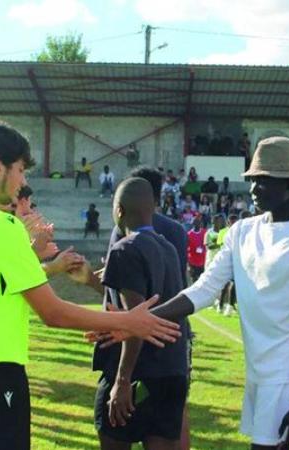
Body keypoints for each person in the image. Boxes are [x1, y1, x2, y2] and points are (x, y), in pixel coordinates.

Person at [0, 119, 180, 450]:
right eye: (20, 170)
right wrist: (129, 321)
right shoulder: (2, 227)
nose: (22, 181)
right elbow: (52, 312)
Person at [141, 136, 289, 449]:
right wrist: (140, 320)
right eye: (253, 180)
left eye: (263, 182)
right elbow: (204, 289)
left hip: (287, 378)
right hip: (257, 372)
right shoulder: (242, 231)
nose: (254, 189)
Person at [93, 178, 192, 450]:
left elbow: (134, 320)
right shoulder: (168, 249)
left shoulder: (123, 249)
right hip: (171, 369)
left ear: (120, 210)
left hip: (136, 372)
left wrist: (122, 381)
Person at [187, 215, 207, 284]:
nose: (197, 224)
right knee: (194, 281)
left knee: (202, 281)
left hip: (203, 261)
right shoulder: (189, 234)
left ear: (200, 223)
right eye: (195, 223)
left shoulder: (204, 232)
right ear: (192, 224)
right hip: (193, 262)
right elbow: (187, 248)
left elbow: (207, 245)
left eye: (198, 222)